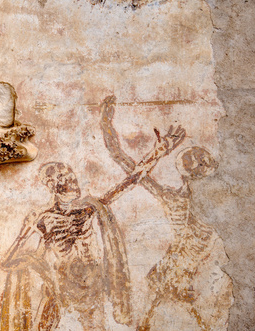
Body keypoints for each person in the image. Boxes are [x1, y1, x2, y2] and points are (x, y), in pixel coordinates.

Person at [0, 121, 185, 330]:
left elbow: (130, 181)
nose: (73, 179)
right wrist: (30, 249)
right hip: (60, 288)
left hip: (91, 287)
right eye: (64, 177)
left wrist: (158, 153)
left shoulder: (87, 209)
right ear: (52, 185)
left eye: (72, 175)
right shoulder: (42, 219)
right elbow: (8, 261)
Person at [99, 95, 232, 330]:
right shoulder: (175, 200)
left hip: (190, 272)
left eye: (204, 160)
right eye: (200, 162)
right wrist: (106, 125)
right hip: (178, 271)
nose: (204, 165)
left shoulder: (216, 203)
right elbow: (122, 161)